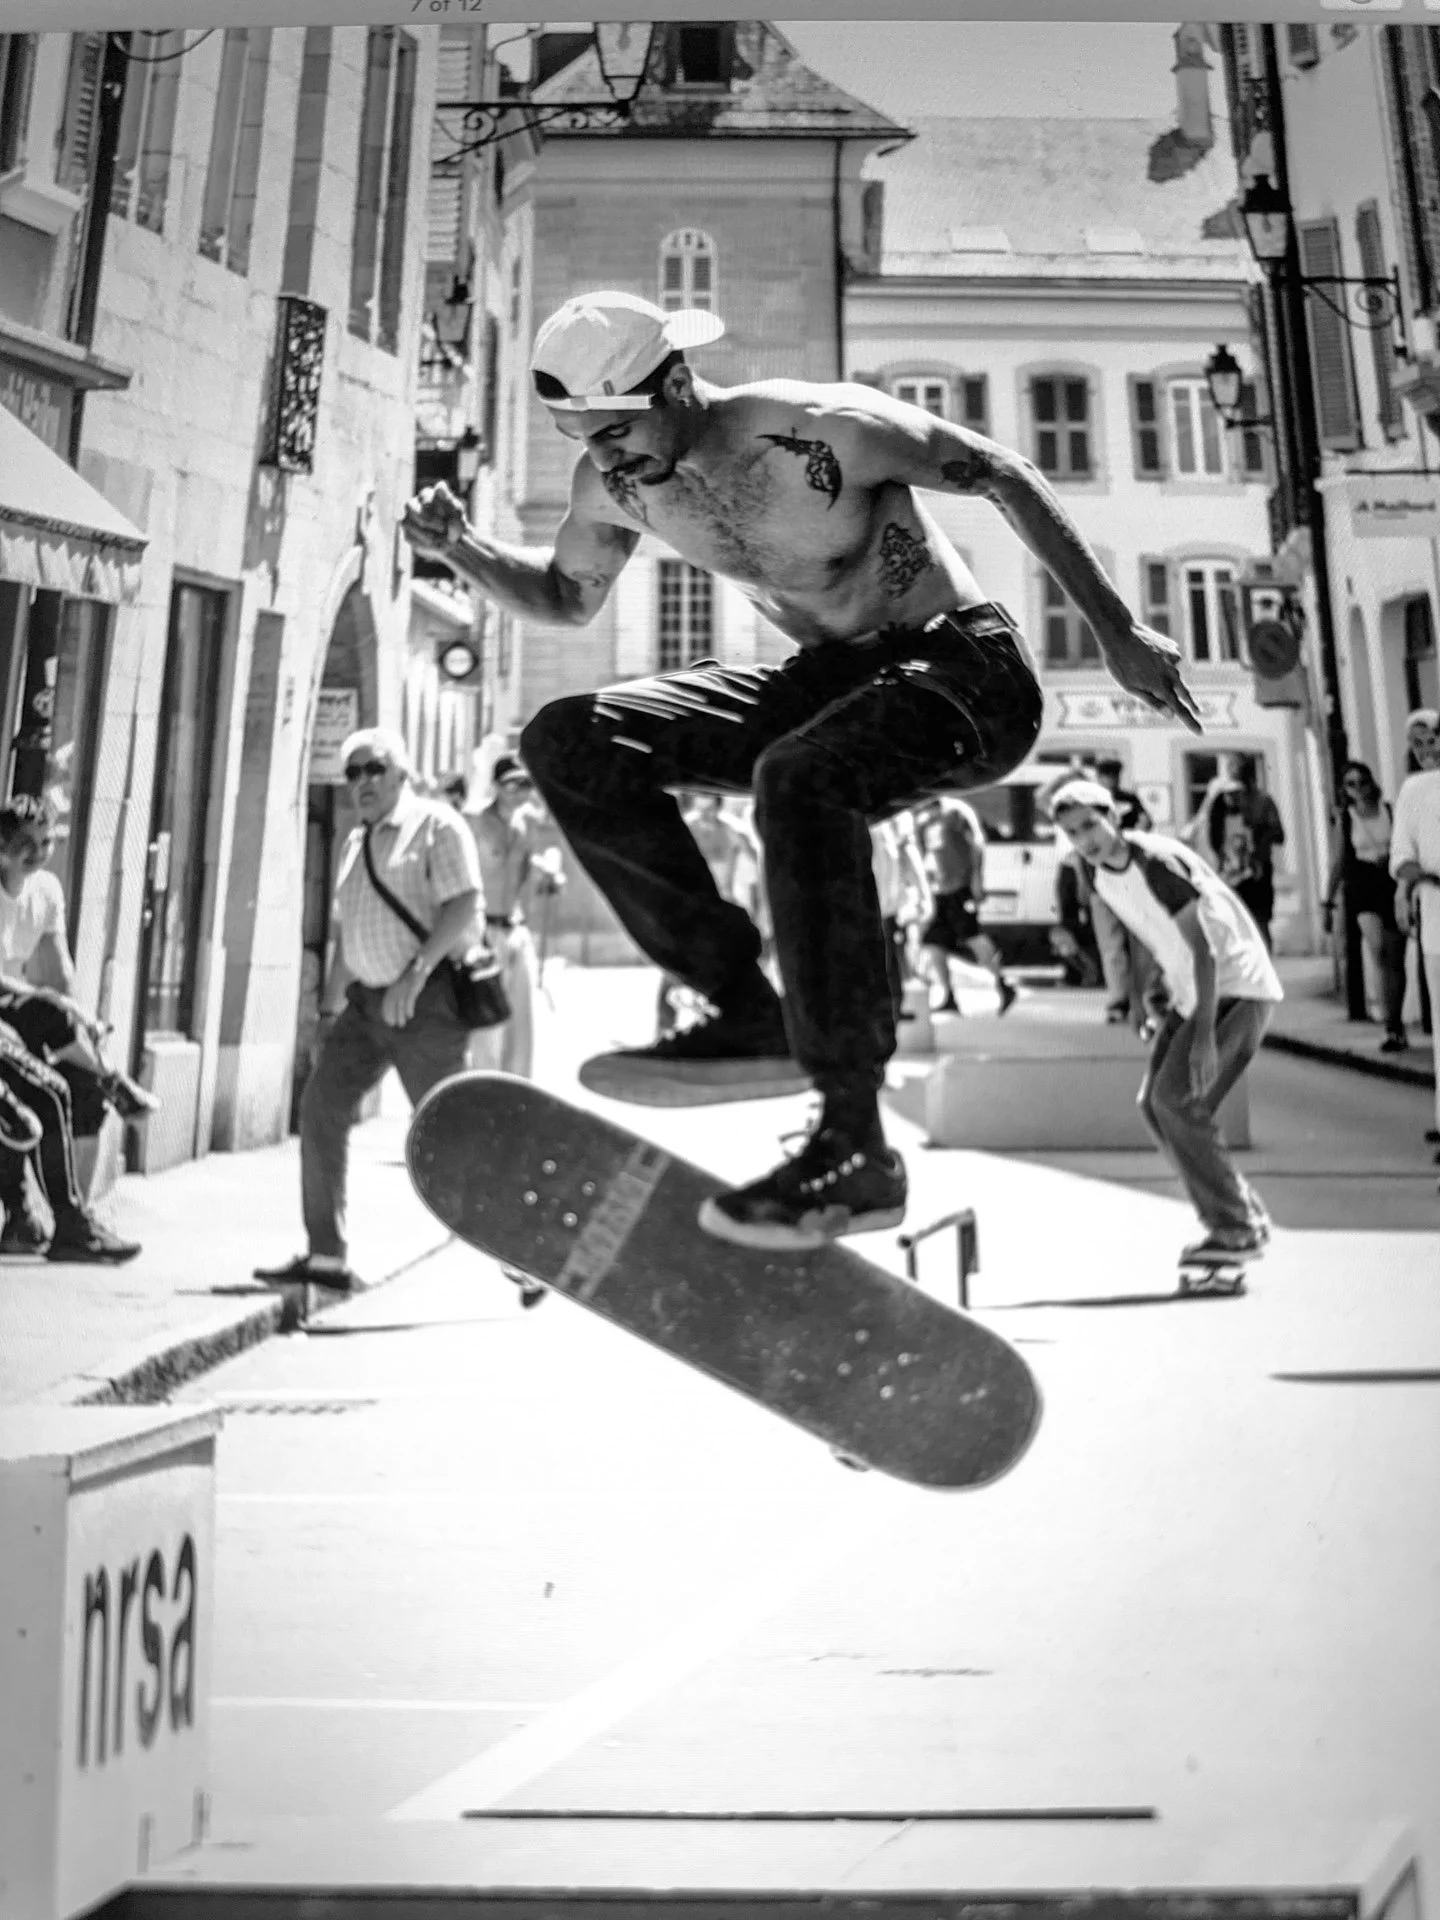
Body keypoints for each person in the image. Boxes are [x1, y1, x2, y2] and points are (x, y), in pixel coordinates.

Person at [402, 288, 1200, 1250]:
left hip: (962, 671)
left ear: (678, 383)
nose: (606, 456)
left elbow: (1002, 470)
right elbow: (565, 597)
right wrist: (463, 549)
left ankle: (855, 1143)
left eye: (617, 428)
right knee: (570, 738)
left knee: (799, 776)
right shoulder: (610, 486)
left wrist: (1116, 633)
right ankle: (746, 1010)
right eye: (582, 434)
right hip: (829, 683)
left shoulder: (818, 428)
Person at [255, 728, 486, 1292]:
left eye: (373, 768)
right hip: (363, 1008)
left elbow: (464, 905)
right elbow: (346, 934)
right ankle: (326, 1256)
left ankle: (517, 1245)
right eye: (351, 772)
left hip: (424, 1005)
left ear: (403, 774)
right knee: (319, 1110)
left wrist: (418, 973)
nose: (361, 781)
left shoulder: (436, 827)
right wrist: (328, 1012)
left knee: (447, 1133)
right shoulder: (354, 843)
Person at [1050, 777, 1281, 1268]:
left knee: (1176, 1101)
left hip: (1234, 984)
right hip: (1190, 992)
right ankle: (1242, 1214)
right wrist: (1138, 997)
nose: (1086, 839)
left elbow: (1205, 949)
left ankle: (1234, 1226)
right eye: (1073, 833)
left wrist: (1201, 1038)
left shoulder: (1155, 861)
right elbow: (1140, 933)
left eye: (1092, 825)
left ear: (1114, 816)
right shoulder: (1096, 875)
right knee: (1155, 1107)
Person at [464, 754, 563, 1078]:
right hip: (481, 931)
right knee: (487, 1030)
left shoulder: (528, 822)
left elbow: (527, 868)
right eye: (512, 784)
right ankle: (480, 1099)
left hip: (516, 929)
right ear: (496, 786)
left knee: (522, 1026)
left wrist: (546, 875)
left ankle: (515, 1101)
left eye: (526, 783)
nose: (520, 790)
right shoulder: (474, 820)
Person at [658, 792, 763, 1037]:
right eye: (701, 809)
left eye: (710, 809)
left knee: (729, 973)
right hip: (689, 910)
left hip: (722, 908)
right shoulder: (685, 829)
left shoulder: (731, 831)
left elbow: (759, 867)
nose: (705, 815)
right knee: (673, 971)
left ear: (718, 805)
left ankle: (734, 1028)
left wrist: (758, 911)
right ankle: (664, 1029)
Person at [1322, 761, 1408, 1053]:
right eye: (1350, 784)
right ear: (1345, 790)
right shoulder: (1345, 818)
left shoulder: (1390, 811)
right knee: (1379, 949)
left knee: (1395, 956)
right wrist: (1328, 900)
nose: (1358, 788)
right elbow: (1337, 861)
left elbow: (1404, 844)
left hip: (1390, 882)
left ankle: (1396, 1024)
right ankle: (1388, 1025)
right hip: (1362, 886)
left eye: (1361, 781)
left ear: (1371, 781)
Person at [1390, 708, 1440, 1165]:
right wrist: (1423, 876)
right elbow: (1400, 856)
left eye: (1434, 740)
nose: (1428, 751)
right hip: (1437, 926)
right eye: (1419, 744)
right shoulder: (1413, 790)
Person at [913, 795, 1017, 1015]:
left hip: (961, 887)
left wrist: (977, 878)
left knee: (973, 936)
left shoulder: (956, 812)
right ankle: (949, 995)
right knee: (933, 942)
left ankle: (1003, 983)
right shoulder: (924, 821)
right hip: (939, 890)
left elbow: (977, 844)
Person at [1185, 759, 1286, 949]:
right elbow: (1206, 839)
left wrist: (1258, 841)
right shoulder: (1218, 812)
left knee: (1259, 922)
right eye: (1230, 793)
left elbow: (1278, 834)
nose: (1234, 797)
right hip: (1229, 874)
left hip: (1256, 873)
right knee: (1232, 923)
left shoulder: (1262, 801)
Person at [1089, 757, 1153, 1024]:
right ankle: (1118, 1000)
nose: (1109, 781)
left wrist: (1140, 828)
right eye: (1105, 776)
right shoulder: (1088, 803)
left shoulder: (1129, 800)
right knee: (1111, 944)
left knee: (1139, 939)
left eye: (1113, 776)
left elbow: (1146, 824)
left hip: (1129, 877)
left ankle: (1145, 997)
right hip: (1101, 877)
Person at [872, 811, 928, 1023]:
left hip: (885, 905)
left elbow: (907, 854)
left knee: (890, 957)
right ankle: (891, 1007)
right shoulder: (887, 821)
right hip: (879, 904)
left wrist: (920, 892)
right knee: (888, 957)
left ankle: (893, 1006)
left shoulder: (892, 821)